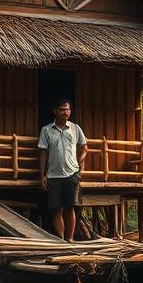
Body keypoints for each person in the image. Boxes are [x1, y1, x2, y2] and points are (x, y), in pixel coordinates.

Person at [38, 98, 87, 241]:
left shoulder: (75, 128)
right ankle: (61, 238)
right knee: (55, 208)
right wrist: (42, 175)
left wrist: (79, 164)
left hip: (72, 173)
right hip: (53, 175)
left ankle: (70, 239)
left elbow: (84, 148)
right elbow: (43, 153)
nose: (66, 112)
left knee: (70, 207)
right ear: (55, 111)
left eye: (68, 110)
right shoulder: (47, 130)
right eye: (63, 109)